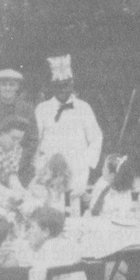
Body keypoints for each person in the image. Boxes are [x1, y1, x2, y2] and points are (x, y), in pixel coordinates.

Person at [34, 59, 103, 199]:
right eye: (58, 86)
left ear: (72, 86)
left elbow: (96, 137)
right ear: (52, 87)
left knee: (74, 202)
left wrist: (86, 163)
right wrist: (39, 166)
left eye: (66, 86)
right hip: (50, 167)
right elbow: (36, 139)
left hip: (77, 168)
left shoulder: (84, 107)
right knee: (51, 201)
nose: (63, 90)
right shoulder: (42, 109)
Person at [26, 206, 89, 280]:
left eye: (32, 227)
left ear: (46, 232)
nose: (28, 231)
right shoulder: (71, 245)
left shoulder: (43, 253)